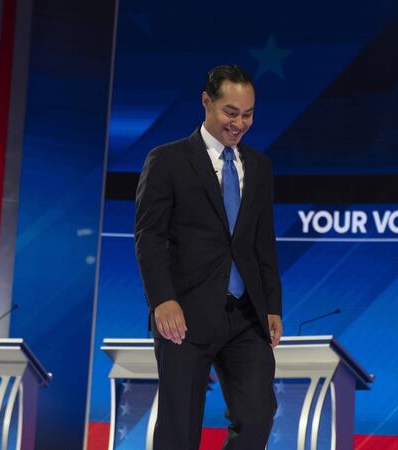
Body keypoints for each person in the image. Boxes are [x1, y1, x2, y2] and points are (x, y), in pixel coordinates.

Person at [134, 64, 282, 450]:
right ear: (206, 102)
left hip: (246, 316)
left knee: (257, 417)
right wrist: (162, 300)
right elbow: (149, 237)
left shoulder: (260, 167)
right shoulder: (166, 160)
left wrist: (272, 306)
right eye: (230, 112)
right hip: (184, 315)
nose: (240, 123)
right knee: (179, 432)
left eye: (248, 114)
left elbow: (263, 243)